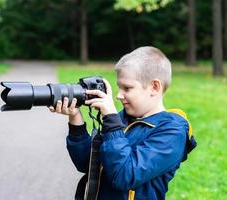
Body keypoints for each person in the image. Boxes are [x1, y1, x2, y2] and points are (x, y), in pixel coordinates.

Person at [49, 46, 197, 200]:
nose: (119, 95)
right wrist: (75, 119)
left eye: (127, 88)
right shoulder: (122, 119)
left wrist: (112, 122)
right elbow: (87, 164)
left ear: (154, 87)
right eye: (119, 87)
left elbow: (124, 176)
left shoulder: (172, 132)